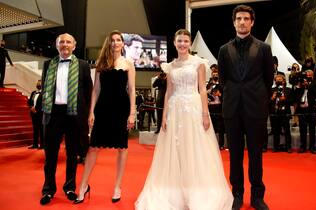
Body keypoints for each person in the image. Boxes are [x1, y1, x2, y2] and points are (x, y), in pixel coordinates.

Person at [135, 29, 233, 210]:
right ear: (174, 42)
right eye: (179, 41)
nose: (182, 44)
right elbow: (169, 92)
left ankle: (196, 190)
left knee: (195, 148)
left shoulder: (199, 63)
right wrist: (163, 115)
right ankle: (176, 190)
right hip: (174, 110)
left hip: (194, 109)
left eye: (185, 41)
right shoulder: (170, 66)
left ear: (189, 43)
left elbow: (202, 89)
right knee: (176, 150)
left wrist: (205, 114)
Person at [218, 5, 273, 210]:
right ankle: (237, 194)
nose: (242, 22)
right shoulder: (224, 49)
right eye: (238, 18)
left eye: (246, 19)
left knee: (256, 154)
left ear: (252, 22)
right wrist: (234, 94)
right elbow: (223, 80)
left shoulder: (264, 48)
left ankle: (258, 196)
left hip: (256, 109)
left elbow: (268, 79)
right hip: (232, 109)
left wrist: (257, 97)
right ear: (234, 22)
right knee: (235, 155)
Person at [74, 30, 136, 204]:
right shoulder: (101, 62)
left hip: (121, 109)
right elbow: (96, 90)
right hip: (103, 109)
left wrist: (132, 113)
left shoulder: (129, 63)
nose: (115, 43)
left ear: (123, 43)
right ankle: (83, 186)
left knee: (122, 149)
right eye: (112, 40)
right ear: (108, 43)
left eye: (118, 40)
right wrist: (91, 111)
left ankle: (118, 186)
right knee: (93, 147)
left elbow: (131, 90)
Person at [39, 33, 93, 205]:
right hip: (53, 113)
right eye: (61, 42)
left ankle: (69, 187)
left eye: (68, 42)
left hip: (74, 115)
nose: (64, 44)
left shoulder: (83, 65)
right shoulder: (48, 64)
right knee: (50, 155)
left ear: (74, 46)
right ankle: (48, 189)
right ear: (57, 46)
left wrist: (88, 114)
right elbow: (45, 89)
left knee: (72, 154)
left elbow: (89, 92)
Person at [294, 70, 316, 154]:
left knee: (312, 129)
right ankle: (303, 147)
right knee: (302, 129)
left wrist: (308, 85)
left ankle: (312, 147)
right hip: (302, 109)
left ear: (312, 75)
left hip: (312, 109)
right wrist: (300, 85)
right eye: (306, 73)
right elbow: (297, 93)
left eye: (309, 73)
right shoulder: (301, 82)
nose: (307, 75)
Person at [27, 80, 43, 149]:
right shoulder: (33, 93)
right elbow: (29, 101)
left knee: (41, 130)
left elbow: (44, 104)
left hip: (40, 114)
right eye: (37, 83)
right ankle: (35, 144)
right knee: (35, 129)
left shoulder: (44, 93)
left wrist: (37, 110)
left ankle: (43, 145)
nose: (38, 84)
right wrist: (31, 107)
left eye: (39, 83)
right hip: (33, 114)